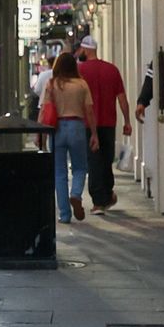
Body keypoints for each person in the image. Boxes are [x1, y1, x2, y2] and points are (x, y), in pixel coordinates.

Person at [74, 34, 130, 213]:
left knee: (93, 161)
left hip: (87, 123)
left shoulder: (79, 71)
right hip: (108, 122)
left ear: (84, 49)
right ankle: (107, 194)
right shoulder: (112, 70)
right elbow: (122, 99)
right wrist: (127, 121)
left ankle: (99, 200)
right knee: (106, 160)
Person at [43, 52, 97, 225]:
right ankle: (75, 194)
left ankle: (65, 215)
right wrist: (94, 133)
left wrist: (41, 134)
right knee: (80, 168)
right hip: (77, 126)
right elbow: (89, 110)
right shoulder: (81, 84)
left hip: (56, 129)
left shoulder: (51, 84)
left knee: (59, 173)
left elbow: (44, 110)